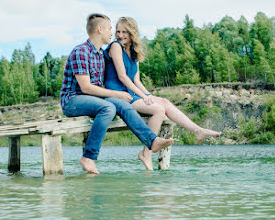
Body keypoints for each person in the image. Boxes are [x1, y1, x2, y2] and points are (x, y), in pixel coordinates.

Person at [60, 13, 174, 174]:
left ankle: (152, 141)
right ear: (99, 29)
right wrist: (118, 93)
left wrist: (125, 96)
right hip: (72, 101)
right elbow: (86, 88)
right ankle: (88, 157)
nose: (111, 33)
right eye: (109, 29)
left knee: (122, 104)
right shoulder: (81, 52)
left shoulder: (100, 54)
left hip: (94, 99)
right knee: (108, 108)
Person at [104, 17, 221, 171]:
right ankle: (146, 153)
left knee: (163, 101)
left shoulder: (133, 52)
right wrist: (144, 97)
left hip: (132, 92)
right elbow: (122, 77)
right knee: (158, 109)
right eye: (118, 31)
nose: (120, 35)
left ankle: (197, 131)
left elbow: (136, 79)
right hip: (118, 94)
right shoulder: (115, 47)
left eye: (124, 32)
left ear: (132, 33)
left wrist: (148, 95)